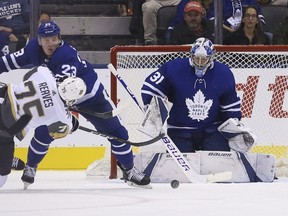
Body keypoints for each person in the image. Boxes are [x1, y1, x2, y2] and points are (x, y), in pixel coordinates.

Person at [0, 21, 151, 188]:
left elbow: (65, 91)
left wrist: (66, 120)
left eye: (53, 39)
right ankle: (31, 167)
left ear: (59, 39)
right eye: (46, 39)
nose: (50, 43)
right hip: (58, 97)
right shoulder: (31, 49)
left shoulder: (66, 55)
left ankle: (129, 170)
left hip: (90, 97)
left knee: (118, 133)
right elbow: (7, 62)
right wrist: (67, 120)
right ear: (39, 40)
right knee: (44, 133)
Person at [141, 37, 247, 153]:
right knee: (177, 169)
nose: (200, 63)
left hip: (212, 130)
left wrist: (234, 129)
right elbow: (149, 88)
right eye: (197, 58)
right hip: (179, 130)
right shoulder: (174, 68)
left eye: (204, 59)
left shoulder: (223, 73)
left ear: (212, 56)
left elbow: (230, 104)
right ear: (191, 55)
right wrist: (152, 110)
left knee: (219, 164)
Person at [0, 66, 79, 188]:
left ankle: (6, 158)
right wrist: (72, 122)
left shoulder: (45, 73)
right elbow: (57, 133)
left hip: (3, 95)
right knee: (1, 180)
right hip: (7, 124)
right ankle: (5, 159)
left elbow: (27, 76)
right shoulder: (63, 117)